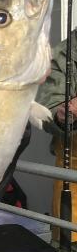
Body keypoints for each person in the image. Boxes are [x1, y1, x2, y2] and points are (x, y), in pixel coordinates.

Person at [36, 29, 77, 241]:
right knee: (70, 246)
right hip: (74, 172)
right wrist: (63, 115)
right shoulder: (64, 53)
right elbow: (49, 111)